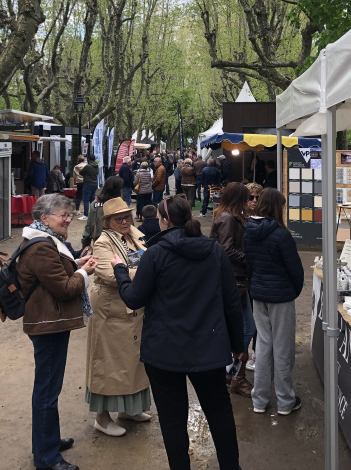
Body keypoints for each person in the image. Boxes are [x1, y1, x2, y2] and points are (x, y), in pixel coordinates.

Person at [111, 195, 244, 470]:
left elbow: (133, 298)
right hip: (208, 346)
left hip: (164, 350)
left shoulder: (156, 254)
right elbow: (232, 301)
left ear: (165, 221)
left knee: (173, 419)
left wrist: (120, 271)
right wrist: (237, 343)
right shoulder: (213, 250)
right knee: (220, 413)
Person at [17, 194, 98, 470]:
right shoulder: (41, 247)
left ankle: (47, 442)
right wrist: (84, 272)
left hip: (50, 322)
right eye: (63, 214)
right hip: (47, 325)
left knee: (49, 388)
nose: (68, 219)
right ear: (44, 218)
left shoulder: (48, 241)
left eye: (70, 214)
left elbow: (57, 272)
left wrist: (76, 262)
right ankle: (47, 458)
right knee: (47, 391)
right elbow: (64, 289)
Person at [86, 198, 151, 437]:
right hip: (110, 309)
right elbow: (111, 274)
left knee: (132, 361)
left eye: (126, 216)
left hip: (132, 306)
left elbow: (140, 260)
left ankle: (129, 409)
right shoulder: (102, 243)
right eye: (118, 218)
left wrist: (129, 267)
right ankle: (101, 418)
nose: (124, 221)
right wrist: (143, 270)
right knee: (106, 363)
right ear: (108, 222)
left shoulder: (134, 236)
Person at [244, 189, 304, 416]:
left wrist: (257, 284)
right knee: (282, 348)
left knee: (263, 345)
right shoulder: (282, 235)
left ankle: (259, 400)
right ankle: (285, 401)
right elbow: (295, 270)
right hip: (280, 296)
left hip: (259, 294)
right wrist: (293, 291)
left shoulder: (249, 230)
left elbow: (250, 264)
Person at [210, 182, 254, 397]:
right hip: (234, 281)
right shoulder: (228, 218)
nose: (250, 202)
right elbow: (227, 250)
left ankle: (232, 372)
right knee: (245, 328)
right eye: (247, 198)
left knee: (243, 328)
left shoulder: (230, 216)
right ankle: (237, 374)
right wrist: (251, 260)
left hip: (236, 280)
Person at [82, 176, 124, 249]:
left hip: (99, 242)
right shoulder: (122, 204)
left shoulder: (95, 204)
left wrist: (85, 244)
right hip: (119, 242)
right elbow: (130, 226)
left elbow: (89, 225)